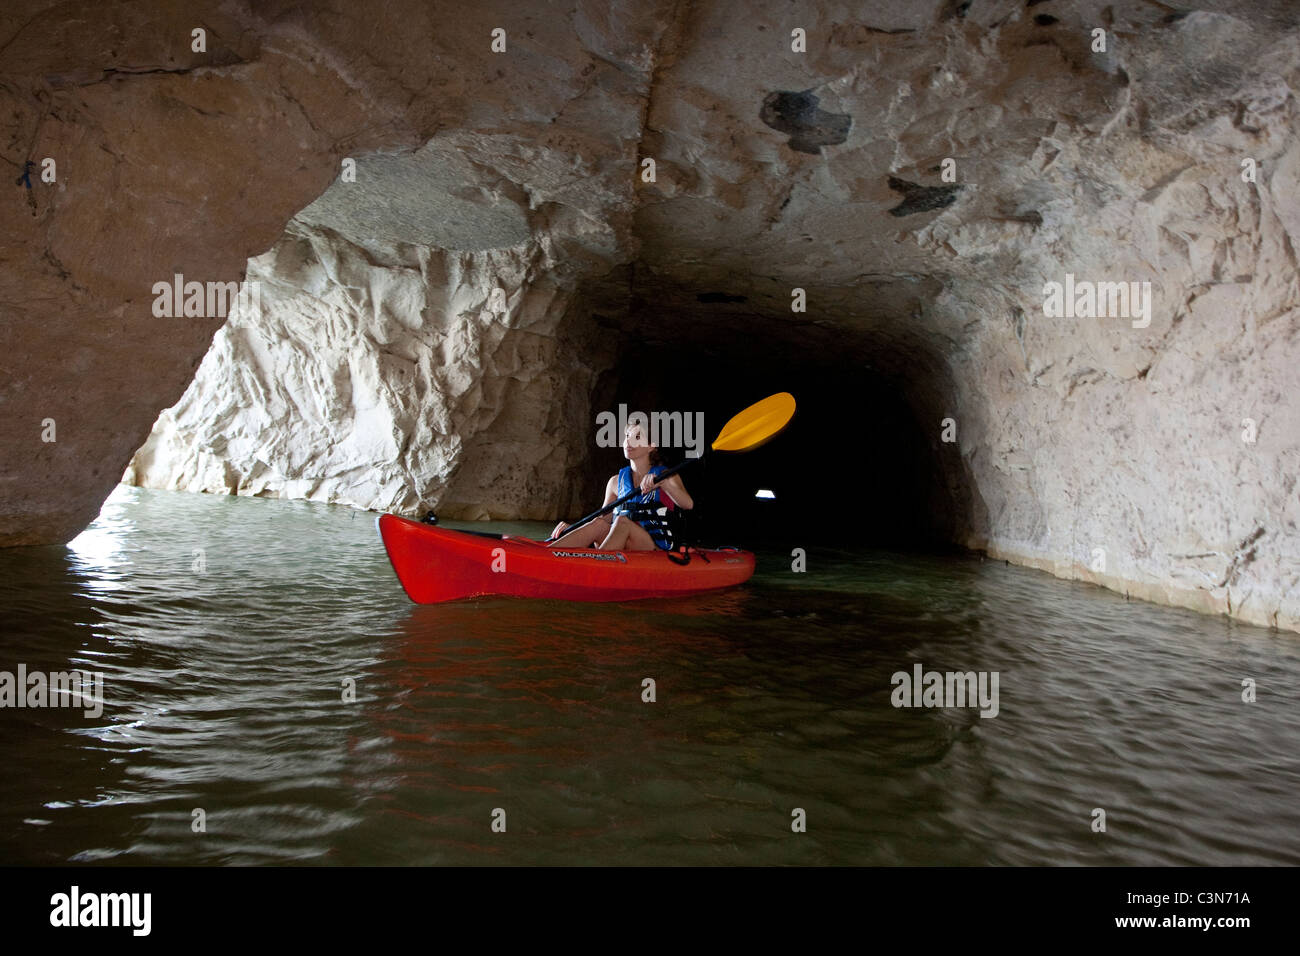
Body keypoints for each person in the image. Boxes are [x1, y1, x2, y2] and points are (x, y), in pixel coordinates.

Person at [550, 420, 694, 551]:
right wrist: (573, 530)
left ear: (651, 446)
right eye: (627, 436)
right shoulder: (615, 482)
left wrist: (664, 484)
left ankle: (596, 567)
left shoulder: (665, 476)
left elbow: (688, 504)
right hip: (622, 547)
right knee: (599, 524)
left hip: (654, 549)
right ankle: (548, 554)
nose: (628, 442)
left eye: (637, 437)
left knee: (622, 522)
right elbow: (603, 519)